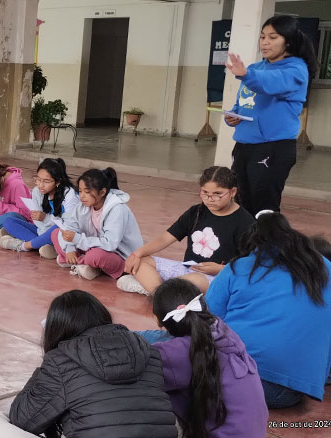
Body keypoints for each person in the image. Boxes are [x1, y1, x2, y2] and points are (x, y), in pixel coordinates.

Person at [0, 290, 177, 438]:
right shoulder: (148, 350)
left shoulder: (60, 359)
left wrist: (45, 364)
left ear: (58, 328)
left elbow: (23, 420)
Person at [206, 211, 331, 409]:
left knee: (161, 346)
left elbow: (206, 319)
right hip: (293, 391)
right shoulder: (323, 266)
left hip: (240, 379)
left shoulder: (238, 267)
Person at [224, 15, 317, 215]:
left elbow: (271, 83)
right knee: (240, 203)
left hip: (273, 147)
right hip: (244, 146)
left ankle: (268, 247)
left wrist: (246, 75)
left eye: (273, 37)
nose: (265, 42)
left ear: (288, 41)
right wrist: (233, 116)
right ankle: (246, 246)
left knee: (263, 208)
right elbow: (244, 102)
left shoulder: (296, 69)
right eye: (263, 36)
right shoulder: (256, 68)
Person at [151, 279, 267, 438]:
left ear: (158, 321)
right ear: (203, 306)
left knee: (142, 392)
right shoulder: (223, 330)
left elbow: (138, 365)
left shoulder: (175, 354)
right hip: (254, 431)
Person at [119, 166, 254, 296]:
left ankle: (158, 291)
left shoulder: (245, 221)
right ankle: (161, 294)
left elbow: (251, 263)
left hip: (219, 277)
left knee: (192, 281)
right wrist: (136, 254)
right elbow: (165, 238)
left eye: (217, 194)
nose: (210, 199)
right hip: (187, 270)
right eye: (205, 193)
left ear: (233, 192)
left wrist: (220, 269)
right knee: (142, 261)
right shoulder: (196, 212)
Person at [52, 167, 142, 280]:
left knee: (95, 256)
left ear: (102, 192)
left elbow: (110, 244)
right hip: (92, 246)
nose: (82, 196)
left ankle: (81, 262)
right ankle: (83, 263)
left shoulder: (117, 209)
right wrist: (70, 249)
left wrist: (77, 239)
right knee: (56, 233)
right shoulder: (83, 206)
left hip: (119, 255)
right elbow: (70, 227)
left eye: (87, 192)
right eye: (80, 191)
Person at [0, 158, 78, 259]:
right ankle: (43, 245)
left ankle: (24, 245)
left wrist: (46, 219)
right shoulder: (37, 192)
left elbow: (68, 226)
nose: (40, 185)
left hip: (62, 235)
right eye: (38, 179)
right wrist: (41, 221)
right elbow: (39, 225)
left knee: (57, 229)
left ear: (57, 182)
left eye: (46, 181)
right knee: (8, 221)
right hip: (42, 231)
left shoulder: (69, 195)